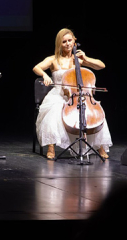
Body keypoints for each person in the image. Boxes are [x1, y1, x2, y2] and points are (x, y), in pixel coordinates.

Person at [32, 28, 111, 160]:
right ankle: (51, 146)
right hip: (58, 95)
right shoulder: (53, 60)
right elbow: (36, 67)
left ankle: (99, 146)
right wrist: (45, 75)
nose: (68, 44)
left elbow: (101, 65)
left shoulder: (79, 60)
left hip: (77, 96)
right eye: (64, 42)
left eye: (70, 40)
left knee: (91, 114)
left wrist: (86, 58)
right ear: (59, 44)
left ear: (74, 41)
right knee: (54, 111)